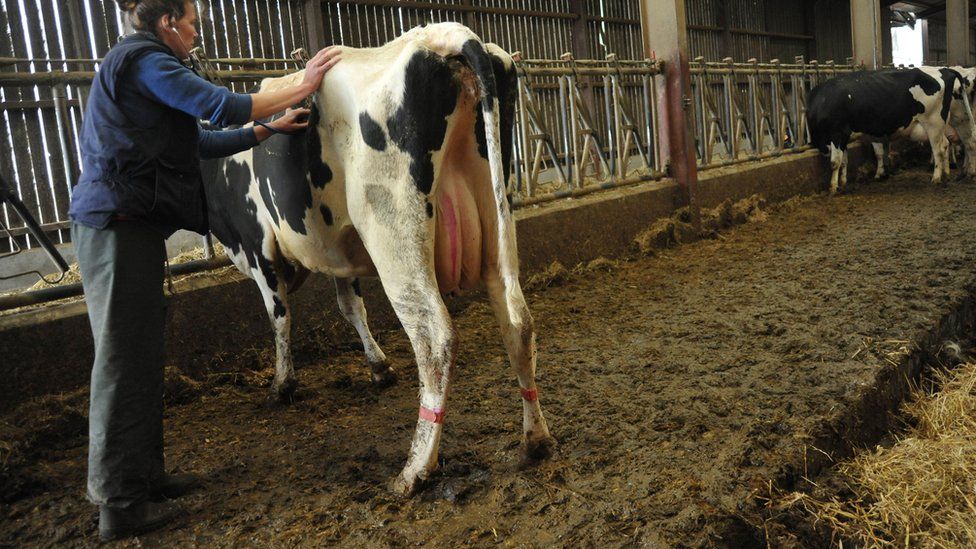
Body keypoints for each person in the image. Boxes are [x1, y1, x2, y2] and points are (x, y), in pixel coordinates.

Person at [67, 0, 340, 541]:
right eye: (192, 22)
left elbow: (197, 143)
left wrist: (268, 130)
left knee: (142, 354)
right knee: (123, 359)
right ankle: (119, 505)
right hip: (114, 227)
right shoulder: (145, 62)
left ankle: (147, 477)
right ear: (168, 21)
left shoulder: (147, 68)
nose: (196, 33)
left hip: (134, 227)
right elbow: (220, 107)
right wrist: (304, 83)